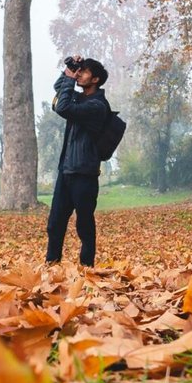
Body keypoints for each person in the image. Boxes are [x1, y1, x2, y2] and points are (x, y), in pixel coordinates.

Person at [47, 55, 113, 268]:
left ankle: (87, 268)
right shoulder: (80, 99)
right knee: (55, 223)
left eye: (83, 71)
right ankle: (52, 265)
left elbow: (63, 107)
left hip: (84, 173)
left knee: (84, 225)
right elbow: (59, 88)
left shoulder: (97, 106)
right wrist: (70, 68)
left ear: (95, 79)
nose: (79, 74)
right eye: (79, 70)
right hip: (66, 170)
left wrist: (68, 79)